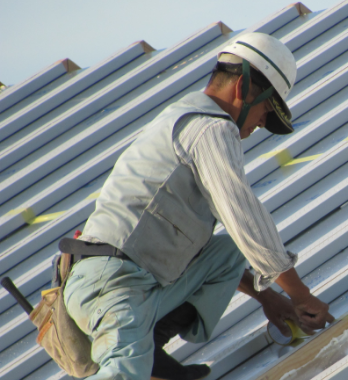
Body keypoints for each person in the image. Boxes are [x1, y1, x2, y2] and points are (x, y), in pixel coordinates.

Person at [62, 32, 334, 380]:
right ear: (242, 89)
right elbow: (244, 218)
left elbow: (215, 250)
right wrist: (301, 295)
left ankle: (150, 350)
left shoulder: (184, 117)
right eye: (268, 110)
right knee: (123, 372)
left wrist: (266, 297)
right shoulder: (211, 128)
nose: (263, 123)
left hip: (138, 282)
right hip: (112, 286)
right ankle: (140, 358)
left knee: (231, 253)